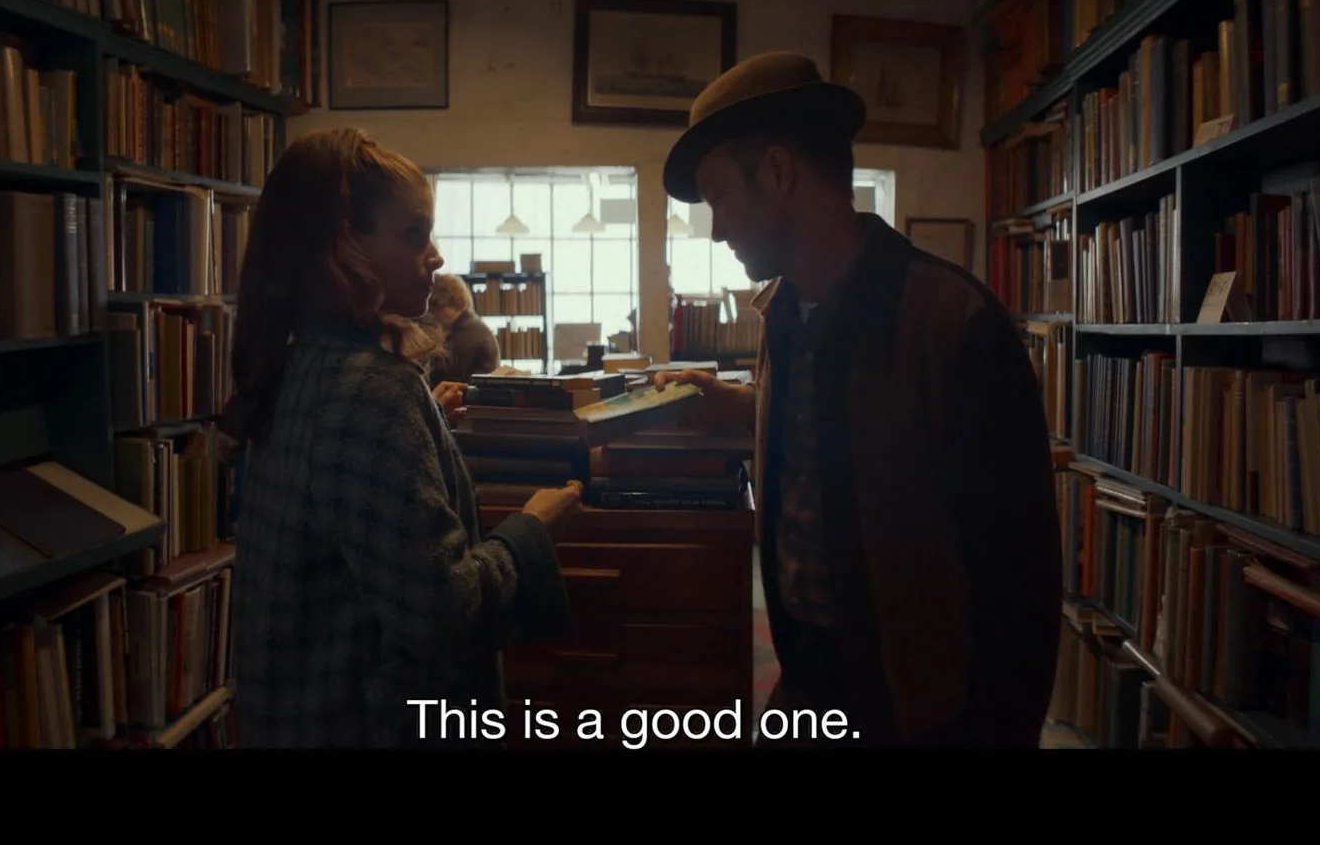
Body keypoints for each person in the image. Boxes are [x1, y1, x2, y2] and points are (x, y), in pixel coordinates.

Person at [655, 51, 1062, 748]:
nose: (716, 229)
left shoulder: (955, 323)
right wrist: (733, 402)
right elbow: (848, 425)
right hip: (805, 686)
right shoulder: (781, 314)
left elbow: (1020, 585)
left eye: (720, 198)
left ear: (779, 173)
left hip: (922, 712)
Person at [219, 127, 583, 748]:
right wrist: (531, 531)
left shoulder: (300, 362)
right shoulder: (371, 390)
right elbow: (442, 611)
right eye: (414, 234)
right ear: (345, 250)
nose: (436, 256)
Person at [423, 272, 502, 387]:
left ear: (440, 303)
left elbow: (440, 376)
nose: (431, 316)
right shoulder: (472, 327)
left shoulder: (465, 334)